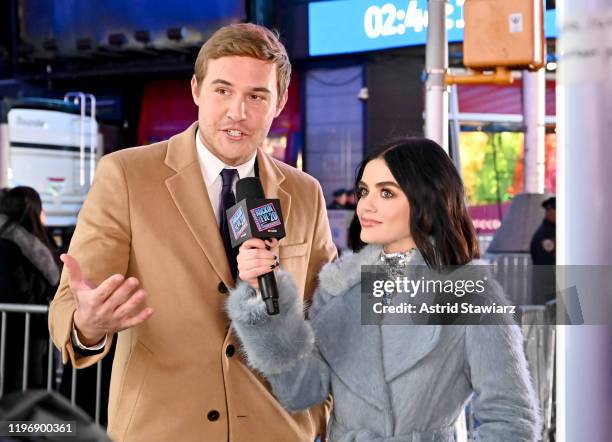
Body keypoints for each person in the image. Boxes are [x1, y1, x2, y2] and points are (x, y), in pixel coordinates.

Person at [48, 23, 336, 441]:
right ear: (197, 90)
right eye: (222, 91)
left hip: (279, 429)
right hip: (163, 428)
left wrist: (321, 415)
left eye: (256, 96)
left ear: (280, 102)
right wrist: (89, 325)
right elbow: (71, 304)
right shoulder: (127, 174)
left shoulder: (305, 193)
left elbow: (326, 319)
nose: (237, 111)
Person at [228, 138, 541, 441]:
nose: (367, 205)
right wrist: (265, 304)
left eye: (387, 193)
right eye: (364, 191)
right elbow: (300, 391)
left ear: (427, 200)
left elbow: (510, 416)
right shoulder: (339, 288)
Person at [0, 186, 60, 393]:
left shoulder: (21, 242)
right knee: (25, 398)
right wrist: (48, 314)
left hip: (26, 335)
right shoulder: (15, 246)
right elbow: (18, 293)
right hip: (24, 337)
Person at [529, 196, 556, 304]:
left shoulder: (555, 230)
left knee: (574, 319)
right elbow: (546, 265)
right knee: (551, 319)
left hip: (556, 287)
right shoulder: (545, 235)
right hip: (550, 290)